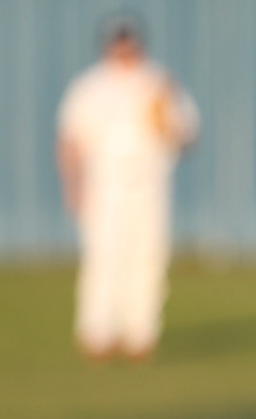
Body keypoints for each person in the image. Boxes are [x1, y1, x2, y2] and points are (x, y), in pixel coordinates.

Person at [56, 18, 199, 361]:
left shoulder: (158, 83)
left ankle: (140, 333)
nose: (124, 52)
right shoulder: (90, 86)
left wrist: (168, 125)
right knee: (103, 258)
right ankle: (97, 332)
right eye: (117, 45)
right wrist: (74, 187)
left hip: (150, 182)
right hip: (105, 183)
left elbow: (187, 136)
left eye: (129, 45)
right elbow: (70, 140)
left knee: (148, 257)